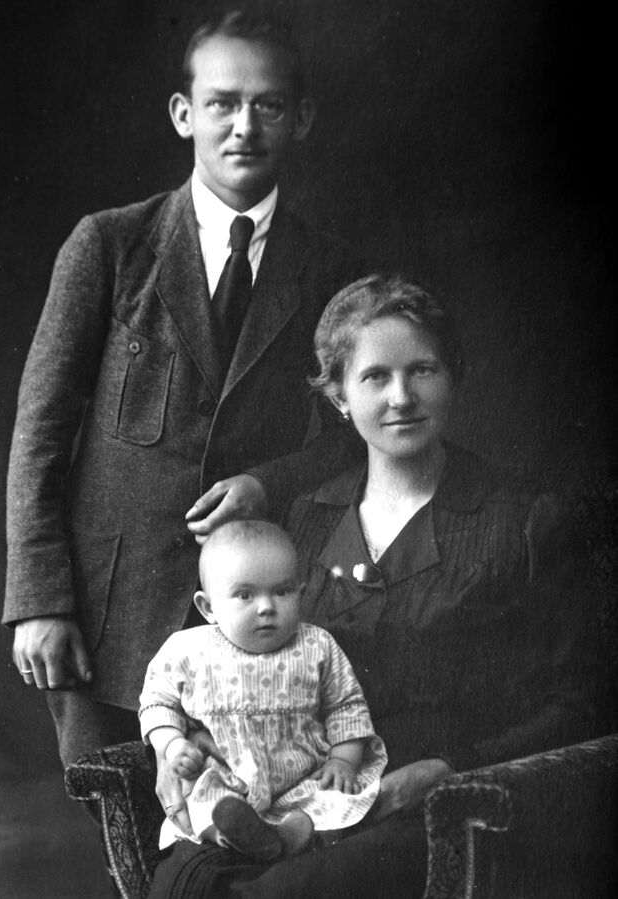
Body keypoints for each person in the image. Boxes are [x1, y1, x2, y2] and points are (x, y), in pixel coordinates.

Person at [148, 274, 594, 898]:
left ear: (452, 378)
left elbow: (581, 704)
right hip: (301, 787)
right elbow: (231, 662)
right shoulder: (305, 519)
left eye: (423, 371)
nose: (402, 397)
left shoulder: (522, 521)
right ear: (338, 397)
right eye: (375, 377)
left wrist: (450, 769)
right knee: (186, 880)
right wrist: (182, 742)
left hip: (439, 801)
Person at [3, 7, 361, 778]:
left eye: (267, 105)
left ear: (300, 118)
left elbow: (351, 438)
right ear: (183, 113)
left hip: (252, 630)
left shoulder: (329, 270)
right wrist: (40, 599)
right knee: (121, 828)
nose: (244, 126)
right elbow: (40, 432)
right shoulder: (109, 245)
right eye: (222, 103)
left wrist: (268, 482)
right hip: (109, 617)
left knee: (239, 825)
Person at [139, 519, 387, 861]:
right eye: (245, 595)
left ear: (300, 593)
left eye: (282, 591)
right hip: (225, 777)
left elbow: (345, 705)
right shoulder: (186, 650)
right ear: (208, 608)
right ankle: (235, 837)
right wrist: (171, 743)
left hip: (302, 778)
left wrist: (343, 760)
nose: (267, 606)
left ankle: (288, 836)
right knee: (206, 802)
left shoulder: (316, 645)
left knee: (333, 798)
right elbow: (157, 703)